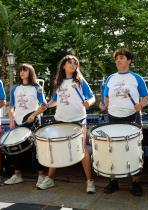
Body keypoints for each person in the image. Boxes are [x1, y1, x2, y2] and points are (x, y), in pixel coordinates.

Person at [37, 55, 96, 193]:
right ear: (63, 65)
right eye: (70, 63)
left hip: (78, 119)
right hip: (61, 119)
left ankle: (90, 181)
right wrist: (46, 106)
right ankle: (50, 179)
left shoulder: (80, 81)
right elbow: (54, 100)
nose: (73, 65)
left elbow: (92, 97)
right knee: (56, 149)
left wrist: (89, 102)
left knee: (82, 149)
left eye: (75, 63)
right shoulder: (59, 82)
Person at [101, 48, 148, 196]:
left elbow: (145, 98)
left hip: (132, 117)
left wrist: (140, 105)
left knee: (135, 150)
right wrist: (104, 105)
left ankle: (136, 183)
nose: (118, 60)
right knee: (113, 149)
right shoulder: (110, 78)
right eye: (116, 58)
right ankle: (113, 181)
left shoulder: (136, 78)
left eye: (121, 58)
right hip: (113, 117)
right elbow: (105, 98)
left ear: (129, 60)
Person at [3, 63, 48, 187]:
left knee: (36, 149)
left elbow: (44, 105)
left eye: (25, 70)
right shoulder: (15, 88)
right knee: (17, 149)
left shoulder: (37, 87)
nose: (22, 72)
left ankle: (41, 175)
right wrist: (11, 119)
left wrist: (34, 114)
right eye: (20, 71)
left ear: (30, 72)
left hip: (32, 121)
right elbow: (11, 106)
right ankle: (17, 175)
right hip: (18, 122)